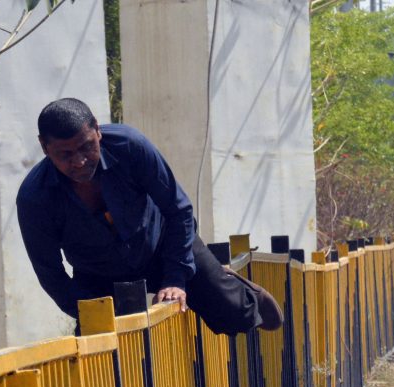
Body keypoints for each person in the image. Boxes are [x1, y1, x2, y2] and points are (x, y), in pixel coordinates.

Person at [16, 97, 282, 335]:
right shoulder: (34, 198)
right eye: (65, 154)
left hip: (163, 248)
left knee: (234, 315)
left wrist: (176, 279)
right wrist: (92, 314)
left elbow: (178, 209)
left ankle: (240, 291)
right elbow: (50, 273)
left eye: (86, 147)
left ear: (97, 130)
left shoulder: (131, 146)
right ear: (44, 147)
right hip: (99, 275)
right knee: (101, 361)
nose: (79, 161)